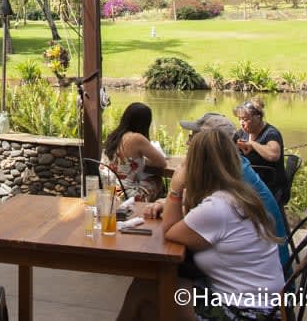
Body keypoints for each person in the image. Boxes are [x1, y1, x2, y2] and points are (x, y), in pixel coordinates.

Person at [118, 130, 284, 321]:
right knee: (153, 285)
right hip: (266, 305)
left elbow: (171, 231)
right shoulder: (238, 194)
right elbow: (192, 217)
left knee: (146, 288)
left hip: (247, 312)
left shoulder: (219, 207)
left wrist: (175, 188)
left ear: (196, 165)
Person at [179, 112, 290, 271]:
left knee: (173, 265)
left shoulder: (231, 179)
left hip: (262, 283)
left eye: (193, 138)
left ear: (209, 145)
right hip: (264, 272)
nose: (188, 143)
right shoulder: (234, 166)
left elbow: (178, 229)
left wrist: (174, 193)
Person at [102, 102, 167, 201]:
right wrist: (146, 161)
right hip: (126, 195)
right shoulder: (137, 138)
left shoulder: (114, 135)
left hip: (108, 191)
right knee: (157, 180)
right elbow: (162, 163)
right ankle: (151, 209)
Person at [234, 97, 287, 199]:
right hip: (249, 185)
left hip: (270, 188)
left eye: (245, 119)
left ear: (258, 117)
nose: (241, 123)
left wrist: (252, 144)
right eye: (239, 119)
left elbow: (273, 155)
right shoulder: (241, 133)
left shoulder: (271, 133)